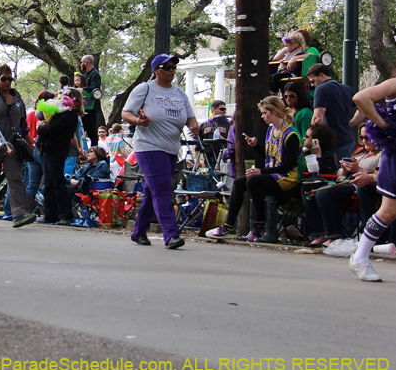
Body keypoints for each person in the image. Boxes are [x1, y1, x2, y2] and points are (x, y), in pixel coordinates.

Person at [123, 54, 199, 249]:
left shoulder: (179, 93)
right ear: (156, 70)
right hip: (148, 146)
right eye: (167, 67)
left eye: (174, 66)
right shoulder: (145, 88)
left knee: (153, 191)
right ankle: (171, 234)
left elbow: (190, 117)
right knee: (163, 188)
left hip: (171, 148)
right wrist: (139, 121)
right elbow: (126, 112)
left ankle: (139, 232)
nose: (172, 70)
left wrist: (194, 126)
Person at [207, 96, 301, 244]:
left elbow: (288, 165)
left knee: (254, 180)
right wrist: (256, 146)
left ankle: (259, 224)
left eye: (264, 113)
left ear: (275, 111)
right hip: (273, 173)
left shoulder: (291, 134)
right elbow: (271, 156)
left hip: (287, 177)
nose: (262, 116)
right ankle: (229, 226)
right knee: (239, 182)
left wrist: (261, 172)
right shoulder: (271, 130)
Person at [348, 75, 396, 282]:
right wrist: (384, 126)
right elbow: (361, 98)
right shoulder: (395, 84)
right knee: (389, 211)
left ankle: (375, 248)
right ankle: (360, 257)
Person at [0, 64, 36, 228]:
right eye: (3, 79)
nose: (7, 82)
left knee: (15, 178)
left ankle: (19, 214)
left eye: (10, 79)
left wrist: (30, 143)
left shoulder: (18, 100)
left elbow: (23, 125)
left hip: (12, 146)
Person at [305, 128, 379, 248]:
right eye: (361, 137)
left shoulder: (380, 155)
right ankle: (319, 233)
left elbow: (378, 175)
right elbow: (339, 174)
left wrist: (357, 169)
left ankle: (334, 235)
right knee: (309, 190)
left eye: (367, 137)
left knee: (324, 194)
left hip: (360, 186)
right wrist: (344, 169)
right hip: (344, 181)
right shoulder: (360, 152)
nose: (364, 141)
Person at [37, 88, 84, 226]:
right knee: (49, 183)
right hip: (48, 149)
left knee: (58, 182)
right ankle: (50, 214)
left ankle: (66, 215)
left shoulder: (70, 115)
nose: (63, 97)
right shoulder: (60, 112)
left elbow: (52, 129)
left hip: (57, 150)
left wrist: (40, 128)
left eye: (67, 95)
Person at [307, 63, 357, 161]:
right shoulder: (347, 89)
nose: (313, 85)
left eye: (313, 81)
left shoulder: (321, 89)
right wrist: (350, 124)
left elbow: (317, 118)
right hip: (349, 141)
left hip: (332, 144)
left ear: (321, 75)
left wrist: (309, 137)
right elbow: (363, 109)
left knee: (332, 174)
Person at [77, 55, 102, 147]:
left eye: (81, 62)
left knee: (91, 130)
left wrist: (84, 89)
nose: (81, 64)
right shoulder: (86, 74)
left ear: (86, 63)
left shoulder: (94, 74)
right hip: (84, 105)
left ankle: (95, 149)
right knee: (82, 129)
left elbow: (95, 87)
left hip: (91, 106)